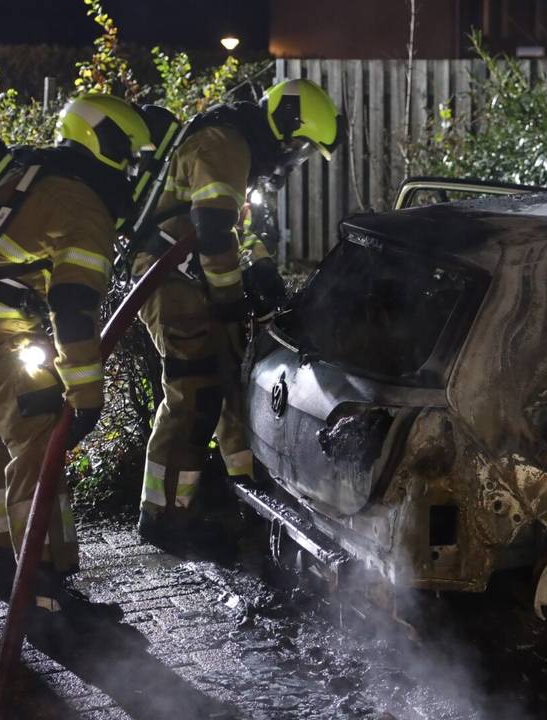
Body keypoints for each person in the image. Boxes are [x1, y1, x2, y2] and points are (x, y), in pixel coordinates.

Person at [0, 94, 153, 632]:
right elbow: (73, 306)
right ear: (109, 142)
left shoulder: (29, 171)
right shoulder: (82, 202)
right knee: (39, 448)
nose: (133, 168)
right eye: (130, 153)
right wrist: (88, 395)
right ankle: (44, 594)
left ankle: (3, 569)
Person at [132, 79, 343, 543]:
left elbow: (234, 229)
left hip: (192, 281)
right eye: (302, 146)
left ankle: (236, 494)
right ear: (287, 125)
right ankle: (164, 517)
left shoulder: (237, 147)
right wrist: (231, 300)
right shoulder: (225, 143)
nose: (297, 157)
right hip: (173, 285)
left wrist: (263, 271)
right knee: (193, 396)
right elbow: (211, 232)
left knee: (228, 384)